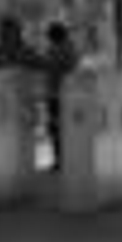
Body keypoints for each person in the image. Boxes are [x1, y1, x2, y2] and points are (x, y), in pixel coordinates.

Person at [41, 21, 80, 172]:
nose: (49, 40)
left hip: (57, 95)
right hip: (66, 94)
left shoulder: (58, 49)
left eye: (50, 37)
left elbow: (52, 68)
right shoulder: (70, 48)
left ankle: (61, 160)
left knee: (57, 129)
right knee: (62, 129)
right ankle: (64, 159)